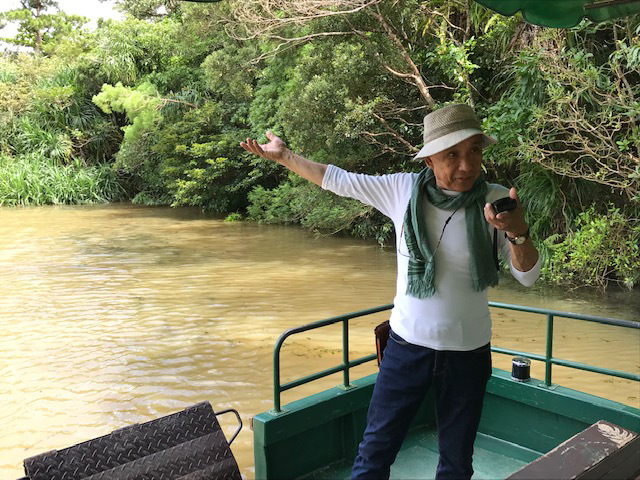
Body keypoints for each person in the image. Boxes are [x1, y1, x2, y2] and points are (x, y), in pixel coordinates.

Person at [240, 104, 541, 480]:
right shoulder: (402, 190)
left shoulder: (495, 201)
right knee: (374, 454)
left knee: (457, 462)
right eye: (452, 155)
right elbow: (338, 179)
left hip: (469, 354)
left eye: (474, 151)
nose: (466, 166)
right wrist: (285, 156)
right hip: (406, 348)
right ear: (429, 160)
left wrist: (517, 230)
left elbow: (527, 276)